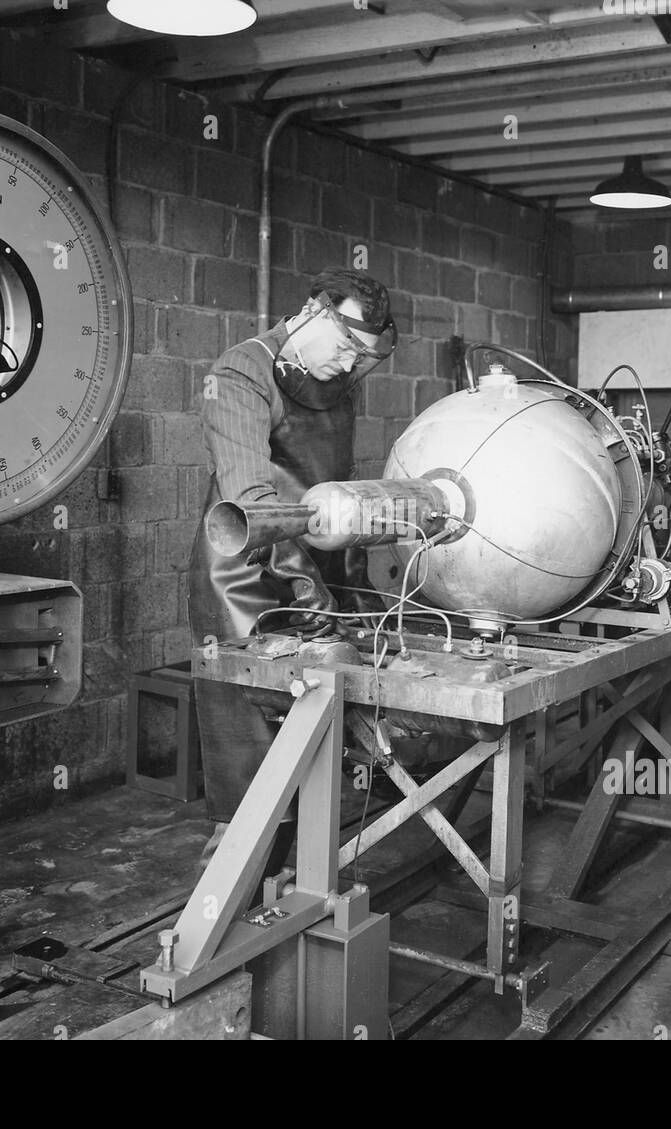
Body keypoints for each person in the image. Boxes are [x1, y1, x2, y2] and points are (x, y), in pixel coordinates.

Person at [188, 267, 397, 881]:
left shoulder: (337, 381)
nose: (350, 364)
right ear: (311, 310)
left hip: (315, 553)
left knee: (323, 704)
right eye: (345, 345)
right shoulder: (240, 374)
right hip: (245, 564)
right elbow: (254, 506)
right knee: (250, 711)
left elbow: (335, 490)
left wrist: (347, 585)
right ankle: (236, 873)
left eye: (364, 356)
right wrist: (309, 593)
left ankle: (305, 858)